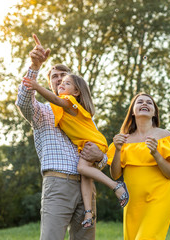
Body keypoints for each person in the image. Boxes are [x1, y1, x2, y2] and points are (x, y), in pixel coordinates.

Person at [16, 34, 105, 240]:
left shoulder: (84, 117)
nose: (59, 79)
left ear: (73, 86)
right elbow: (23, 102)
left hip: (86, 187)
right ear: (50, 84)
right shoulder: (43, 112)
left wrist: (100, 157)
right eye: (54, 76)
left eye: (63, 76)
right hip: (58, 185)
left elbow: (101, 156)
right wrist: (35, 66)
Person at [22, 73, 129, 228]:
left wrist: (37, 87)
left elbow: (56, 99)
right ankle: (88, 213)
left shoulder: (70, 102)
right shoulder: (62, 108)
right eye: (60, 82)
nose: (61, 85)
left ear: (76, 92)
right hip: (86, 143)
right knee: (85, 174)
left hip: (93, 142)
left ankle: (116, 186)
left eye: (67, 83)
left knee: (81, 168)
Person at [107, 93, 170, 240]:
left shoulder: (165, 136)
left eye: (149, 102)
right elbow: (115, 175)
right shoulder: (123, 139)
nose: (144, 104)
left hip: (158, 199)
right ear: (133, 111)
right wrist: (118, 149)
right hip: (133, 202)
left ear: (154, 113)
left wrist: (156, 154)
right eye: (140, 102)